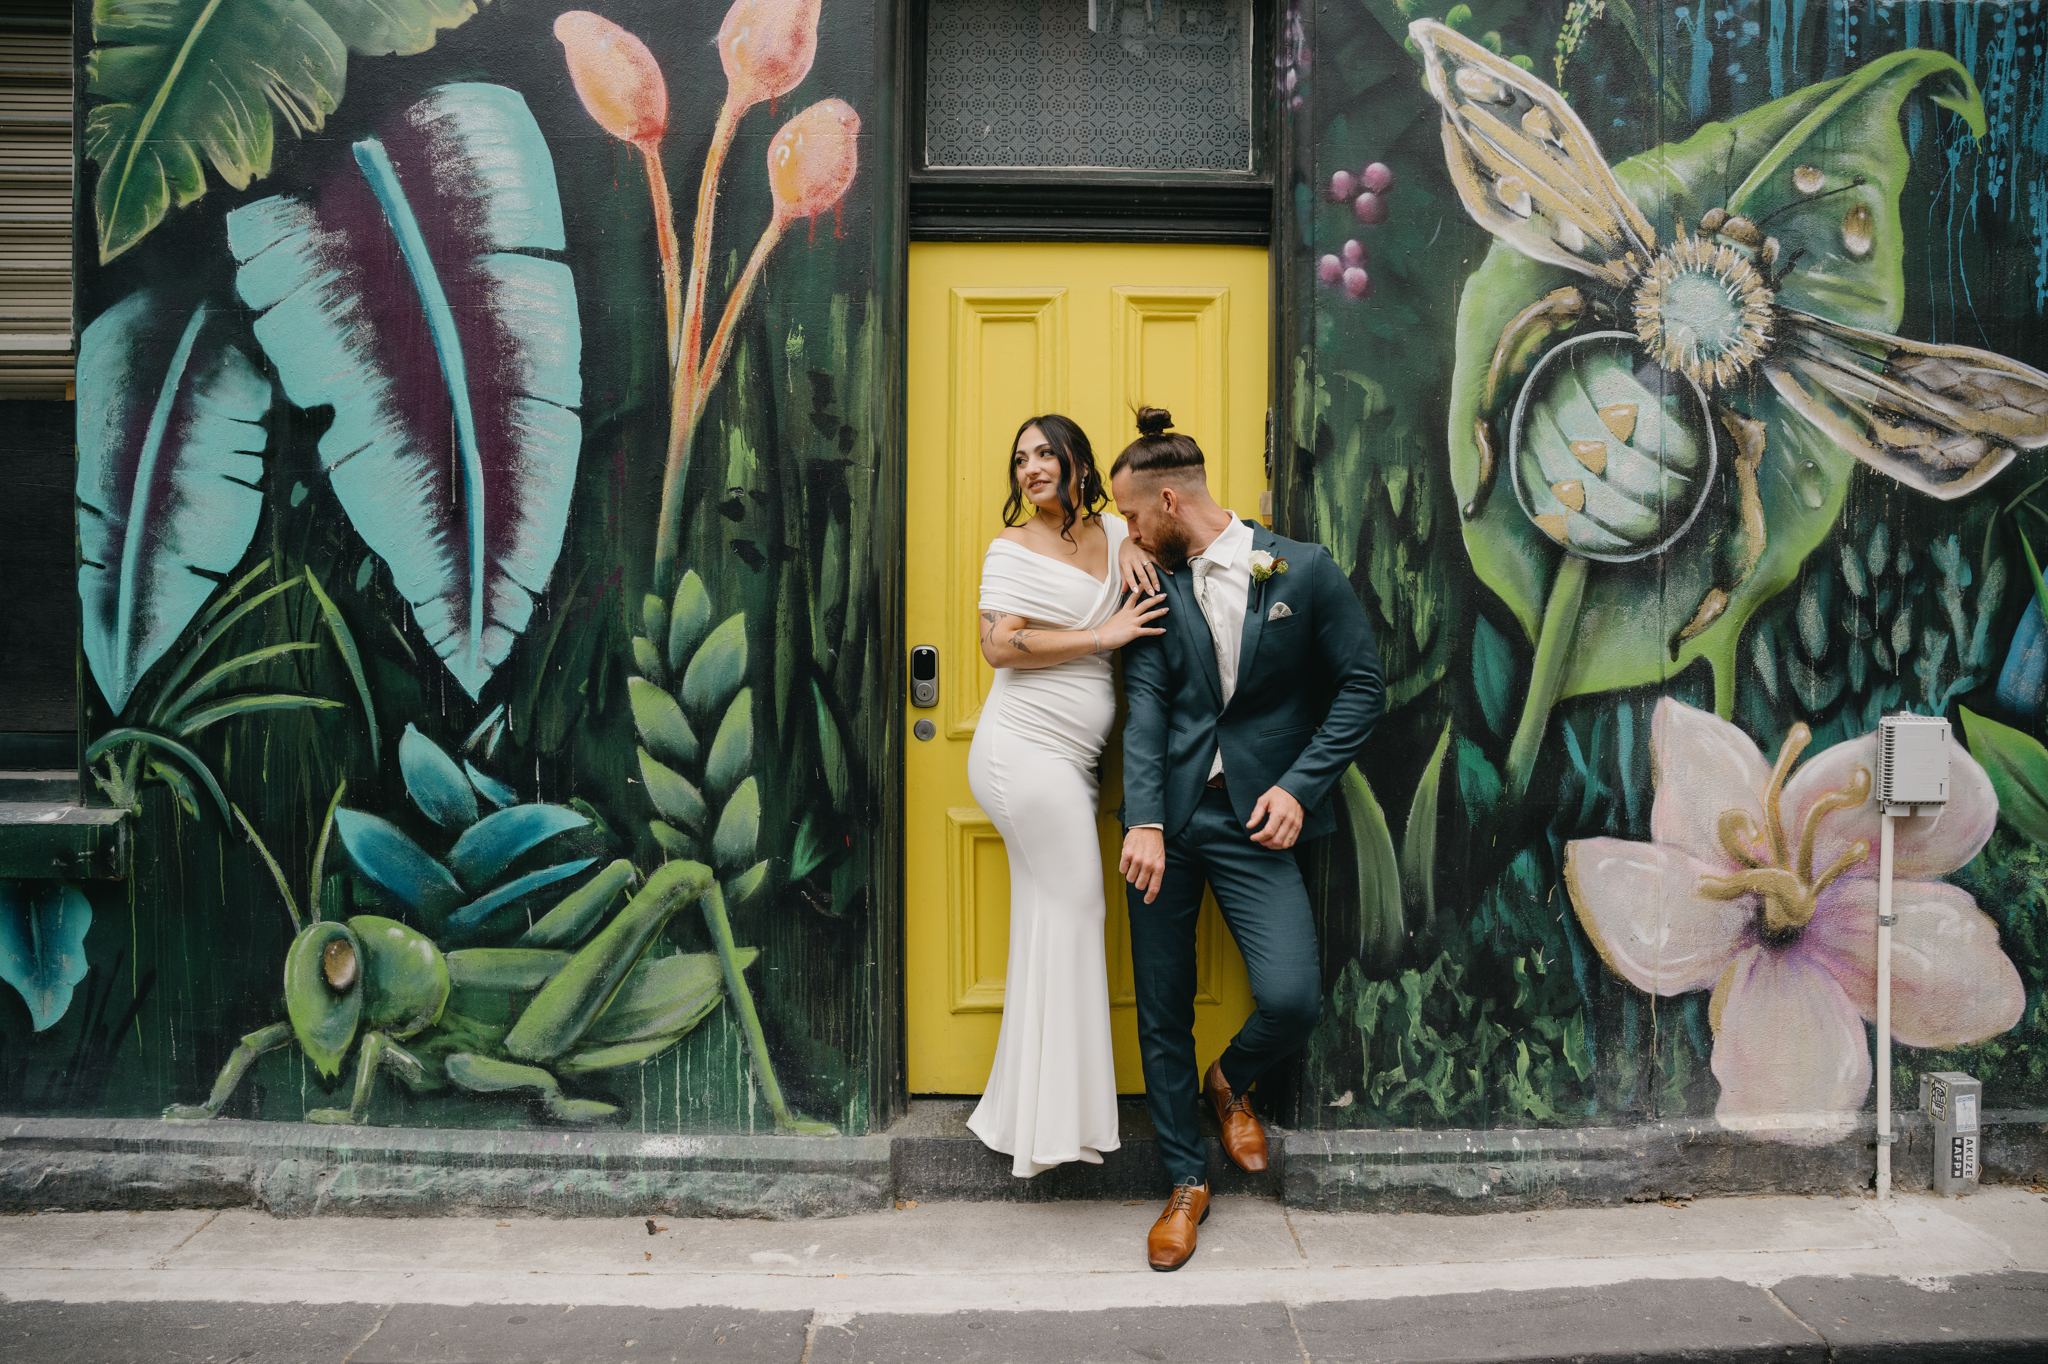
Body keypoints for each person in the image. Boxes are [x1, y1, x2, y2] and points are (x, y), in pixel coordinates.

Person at [1111, 406, 1384, 1271]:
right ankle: (1186, 1183)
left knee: (1293, 995)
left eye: (1130, 516)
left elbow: (1361, 688)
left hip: (1257, 822)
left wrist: (1302, 789)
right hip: (1170, 824)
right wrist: (1145, 821)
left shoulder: (1302, 568)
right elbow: (1146, 709)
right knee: (1162, 1008)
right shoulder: (1154, 579)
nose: (1127, 531)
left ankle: (1229, 1079)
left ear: (1166, 499)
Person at [966, 413, 1168, 1177]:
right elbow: (997, 644)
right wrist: (1102, 637)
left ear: (1076, 460)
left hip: (1075, 763)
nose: (1031, 469)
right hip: (1021, 751)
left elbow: (1154, 554)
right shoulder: (1010, 548)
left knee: (1052, 921)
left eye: (1045, 453)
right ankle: (1060, 1128)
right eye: (1021, 459)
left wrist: (1139, 552)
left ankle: (1036, 1122)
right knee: (1079, 908)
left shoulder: (1117, 534)